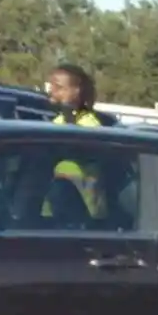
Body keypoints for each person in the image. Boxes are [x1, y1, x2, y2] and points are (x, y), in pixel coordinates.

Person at [44, 63, 106, 222]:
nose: (52, 91)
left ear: (76, 91)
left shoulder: (90, 125)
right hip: (52, 213)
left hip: (82, 215)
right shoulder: (58, 121)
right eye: (51, 86)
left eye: (58, 87)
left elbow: (75, 150)